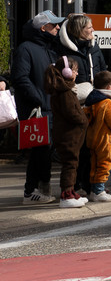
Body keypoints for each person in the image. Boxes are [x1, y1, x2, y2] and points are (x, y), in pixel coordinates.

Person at [12, 11, 65, 204]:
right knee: (39, 150)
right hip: (36, 109)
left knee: (44, 150)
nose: (58, 28)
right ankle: (30, 191)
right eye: (54, 25)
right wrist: (39, 99)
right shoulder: (26, 49)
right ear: (43, 28)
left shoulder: (49, 48)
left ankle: (37, 188)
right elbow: (20, 78)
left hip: (48, 107)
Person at [45, 57, 89, 207]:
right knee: (70, 164)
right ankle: (66, 195)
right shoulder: (64, 91)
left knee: (72, 163)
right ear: (67, 72)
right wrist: (84, 120)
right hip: (67, 134)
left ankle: (70, 192)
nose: (76, 73)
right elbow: (71, 112)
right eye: (75, 70)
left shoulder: (65, 88)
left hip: (69, 134)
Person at [84, 70, 111, 202]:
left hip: (92, 138)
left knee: (94, 165)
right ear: (108, 86)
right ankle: (99, 191)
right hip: (105, 139)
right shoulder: (107, 103)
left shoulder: (92, 100)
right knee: (105, 164)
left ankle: (94, 190)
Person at [59, 14, 106, 100]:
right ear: (79, 30)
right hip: (73, 100)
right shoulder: (62, 50)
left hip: (96, 98)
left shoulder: (94, 47)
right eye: (89, 28)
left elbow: (103, 70)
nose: (93, 30)